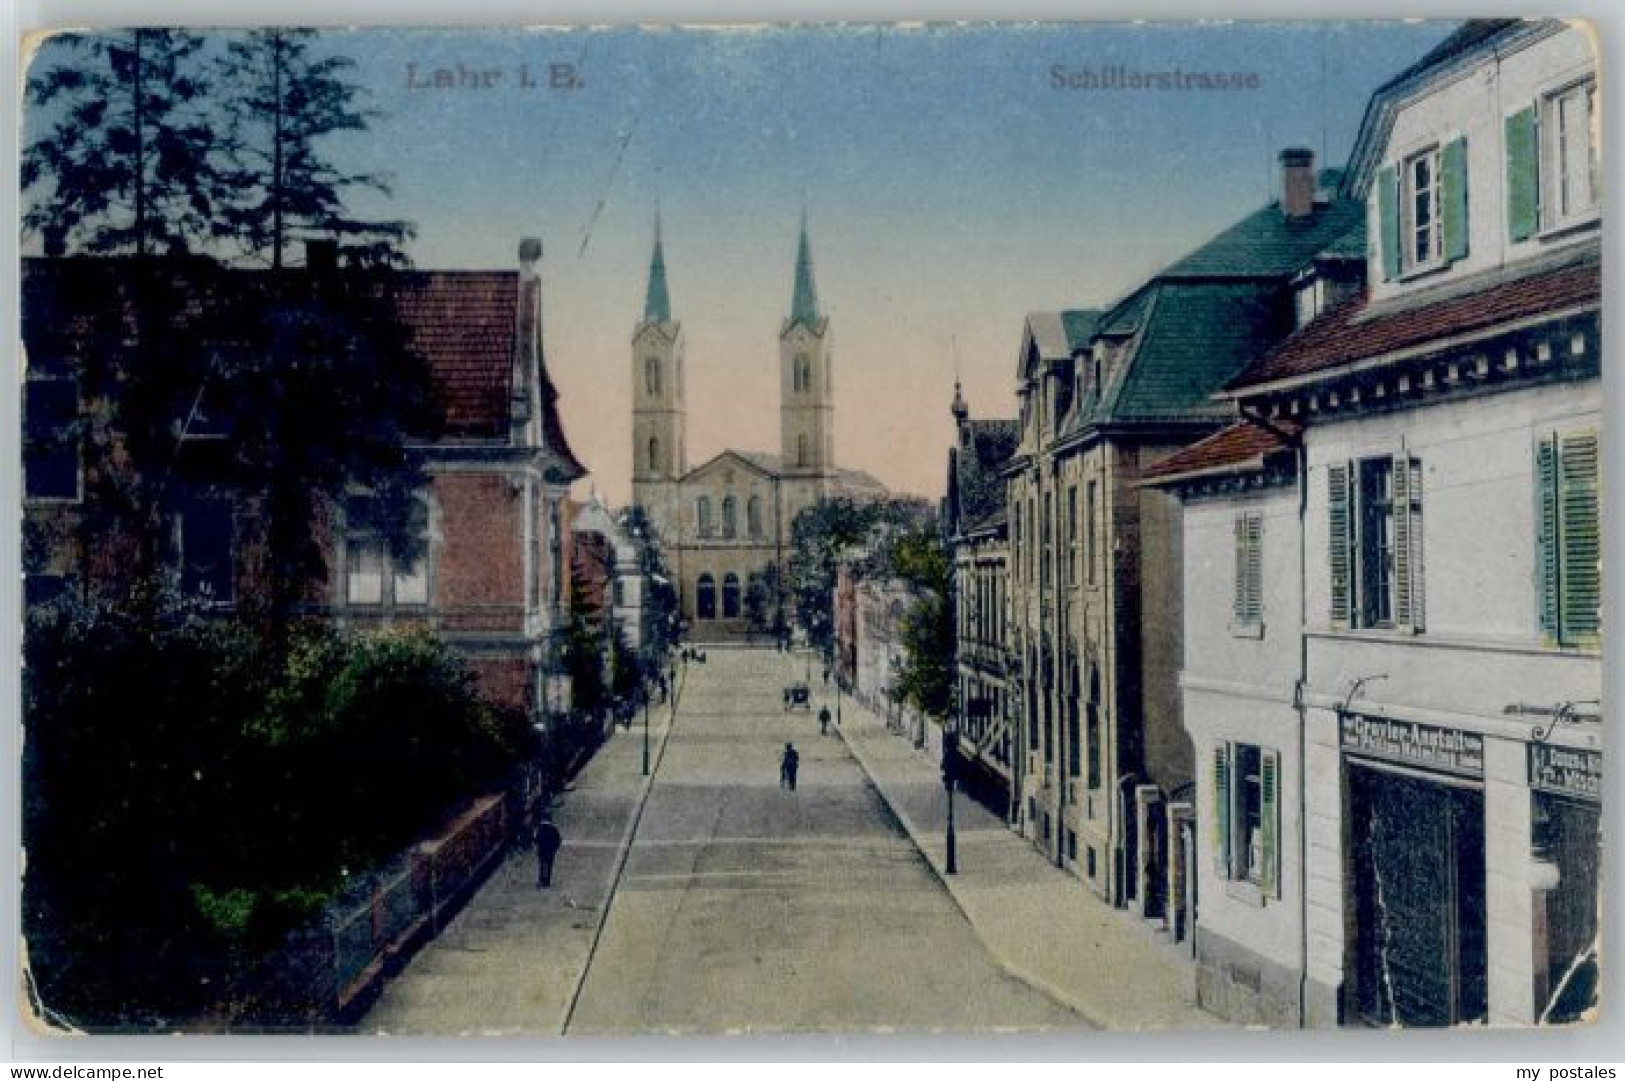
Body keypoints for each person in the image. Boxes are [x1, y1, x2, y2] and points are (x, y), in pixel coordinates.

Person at [533, 814, 562, 888]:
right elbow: (558, 840)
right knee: (549, 866)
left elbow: (536, 839)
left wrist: (538, 846)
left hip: (541, 850)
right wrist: (555, 848)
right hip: (550, 850)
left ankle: (541, 880)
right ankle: (547, 882)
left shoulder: (539, 828)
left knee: (542, 865)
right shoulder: (553, 829)